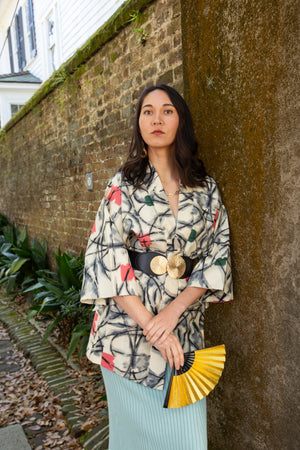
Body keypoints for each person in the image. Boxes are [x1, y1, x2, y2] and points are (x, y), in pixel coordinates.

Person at [80, 84, 233, 449]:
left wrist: (170, 317)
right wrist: (152, 325)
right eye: (147, 111)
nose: (157, 119)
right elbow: (106, 259)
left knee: (189, 442)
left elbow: (217, 255)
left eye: (167, 110)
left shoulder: (205, 187)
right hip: (126, 334)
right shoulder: (122, 185)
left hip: (183, 333)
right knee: (133, 441)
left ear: (181, 121)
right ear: (139, 124)